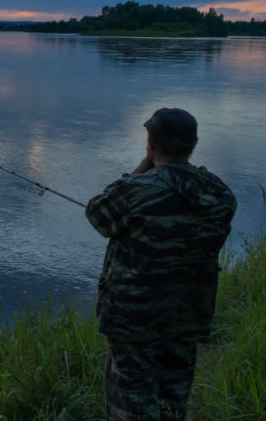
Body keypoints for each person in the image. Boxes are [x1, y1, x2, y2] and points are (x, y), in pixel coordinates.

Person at [85, 108, 236, 421]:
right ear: (193, 143)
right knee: (173, 402)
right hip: (187, 314)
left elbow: (98, 215)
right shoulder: (220, 194)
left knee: (132, 404)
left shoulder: (138, 191)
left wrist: (143, 167)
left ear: (151, 142)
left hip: (134, 318)